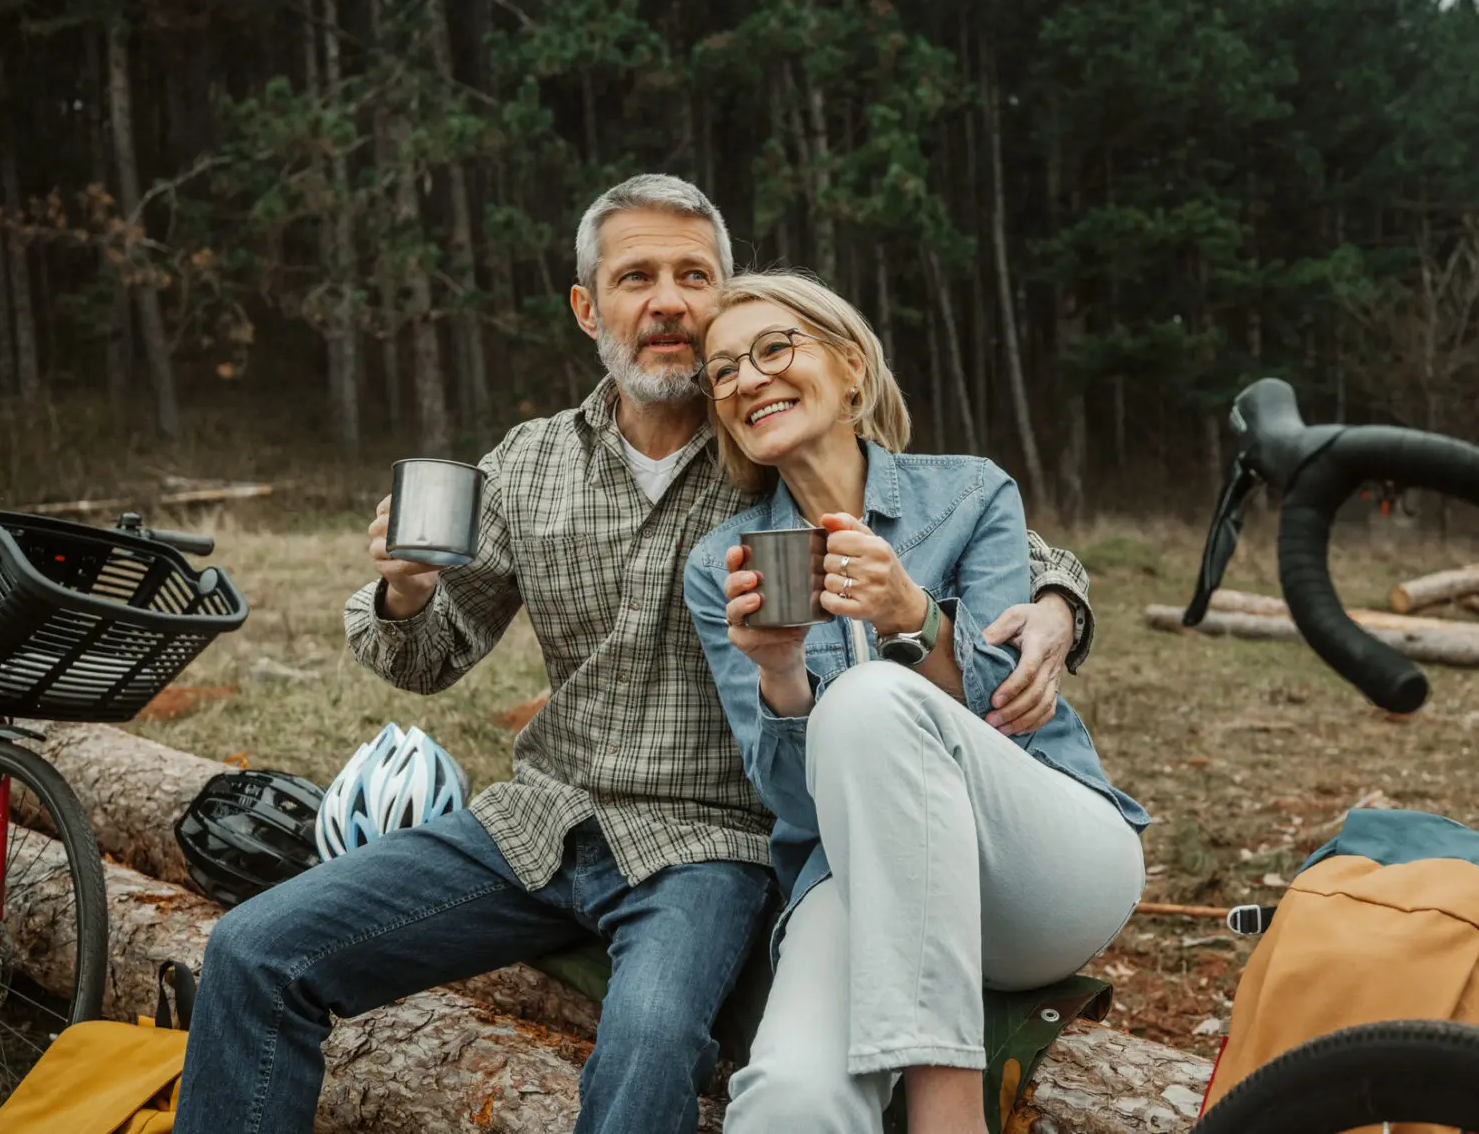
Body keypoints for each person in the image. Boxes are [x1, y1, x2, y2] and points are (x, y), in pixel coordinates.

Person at [174, 176, 1098, 1134]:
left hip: (707, 845)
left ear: (728, 298)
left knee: (650, 1040)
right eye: (636, 276)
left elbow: (943, 515)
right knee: (254, 948)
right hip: (538, 819)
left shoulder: (770, 434)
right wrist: (405, 591)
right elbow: (428, 658)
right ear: (588, 307)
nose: (667, 300)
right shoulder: (530, 462)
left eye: (694, 275)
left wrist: (1060, 596)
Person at [682, 271, 1149, 1134]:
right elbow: (793, 804)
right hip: (856, 876)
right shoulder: (723, 566)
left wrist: (916, 621)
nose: (747, 379)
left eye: (774, 348)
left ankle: (944, 1104)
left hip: (1039, 866)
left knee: (865, 699)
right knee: (791, 1098)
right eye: (722, 371)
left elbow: (1014, 713)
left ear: (852, 367)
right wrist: (780, 674)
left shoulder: (971, 495)